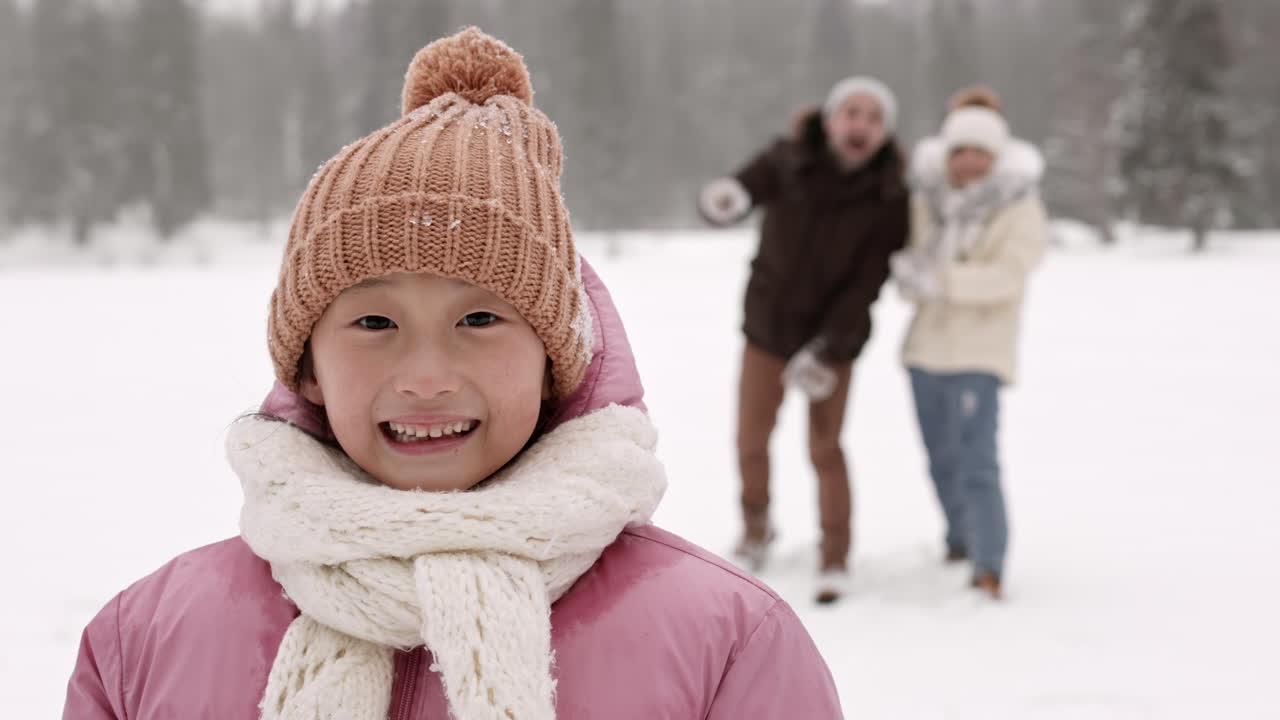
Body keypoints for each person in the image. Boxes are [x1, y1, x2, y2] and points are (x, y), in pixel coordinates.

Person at [62, 28, 843, 719]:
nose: (426, 377)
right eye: (373, 323)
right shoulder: (145, 645)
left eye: (480, 320)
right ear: (306, 368)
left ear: (552, 362)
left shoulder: (725, 645)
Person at [698, 76, 909, 603]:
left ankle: (834, 553)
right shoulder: (788, 159)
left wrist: (828, 350)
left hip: (831, 344)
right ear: (831, 119)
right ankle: (755, 530)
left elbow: (866, 286)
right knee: (750, 441)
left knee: (825, 448)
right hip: (767, 330)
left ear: (883, 133)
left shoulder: (889, 196)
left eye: (873, 117)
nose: (860, 124)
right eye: (851, 113)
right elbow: (744, 187)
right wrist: (729, 197)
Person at [890, 86, 1048, 600]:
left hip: (979, 353)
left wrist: (945, 282)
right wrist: (911, 276)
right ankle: (959, 537)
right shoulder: (927, 199)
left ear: (996, 156)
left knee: (978, 460)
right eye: (961, 151)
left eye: (981, 152)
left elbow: (1011, 274)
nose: (970, 162)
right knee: (940, 457)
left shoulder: (1019, 205)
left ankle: (989, 561)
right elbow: (913, 254)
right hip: (925, 352)